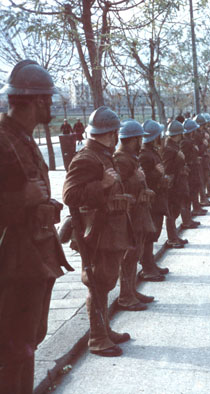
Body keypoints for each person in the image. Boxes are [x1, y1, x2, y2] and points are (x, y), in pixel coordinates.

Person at [0, 60, 74, 394]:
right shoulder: (3, 142)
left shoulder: (22, 138)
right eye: (48, 99)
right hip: (12, 266)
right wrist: (20, 200)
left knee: (27, 342)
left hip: (32, 260)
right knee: (14, 349)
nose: (52, 105)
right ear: (36, 101)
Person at [63, 106, 132, 357]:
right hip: (96, 233)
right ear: (111, 133)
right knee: (96, 282)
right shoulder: (86, 157)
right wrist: (101, 184)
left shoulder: (101, 154)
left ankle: (104, 329)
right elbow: (69, 195)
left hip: (108, 231)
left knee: (104, 282)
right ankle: (97, 337)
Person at [113, 121, 156, 311]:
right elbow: (118, 186)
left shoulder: (129, 157)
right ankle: (125, 295)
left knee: (135, 252)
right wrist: (136, 179)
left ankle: (131, 291)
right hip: (130, 214)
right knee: (129, 256)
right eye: (139, 138)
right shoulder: (121, 159)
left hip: (138, 211)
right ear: (133, 139)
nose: (142, 141)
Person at [139, 120, 170, 279]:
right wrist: (158, 174)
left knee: (154, 233)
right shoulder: (145, 155)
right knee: (149, 235)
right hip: (152, 200)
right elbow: (144, 179)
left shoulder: (151, 151)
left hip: (158, 197)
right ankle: (147, 267)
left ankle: (150, 264)